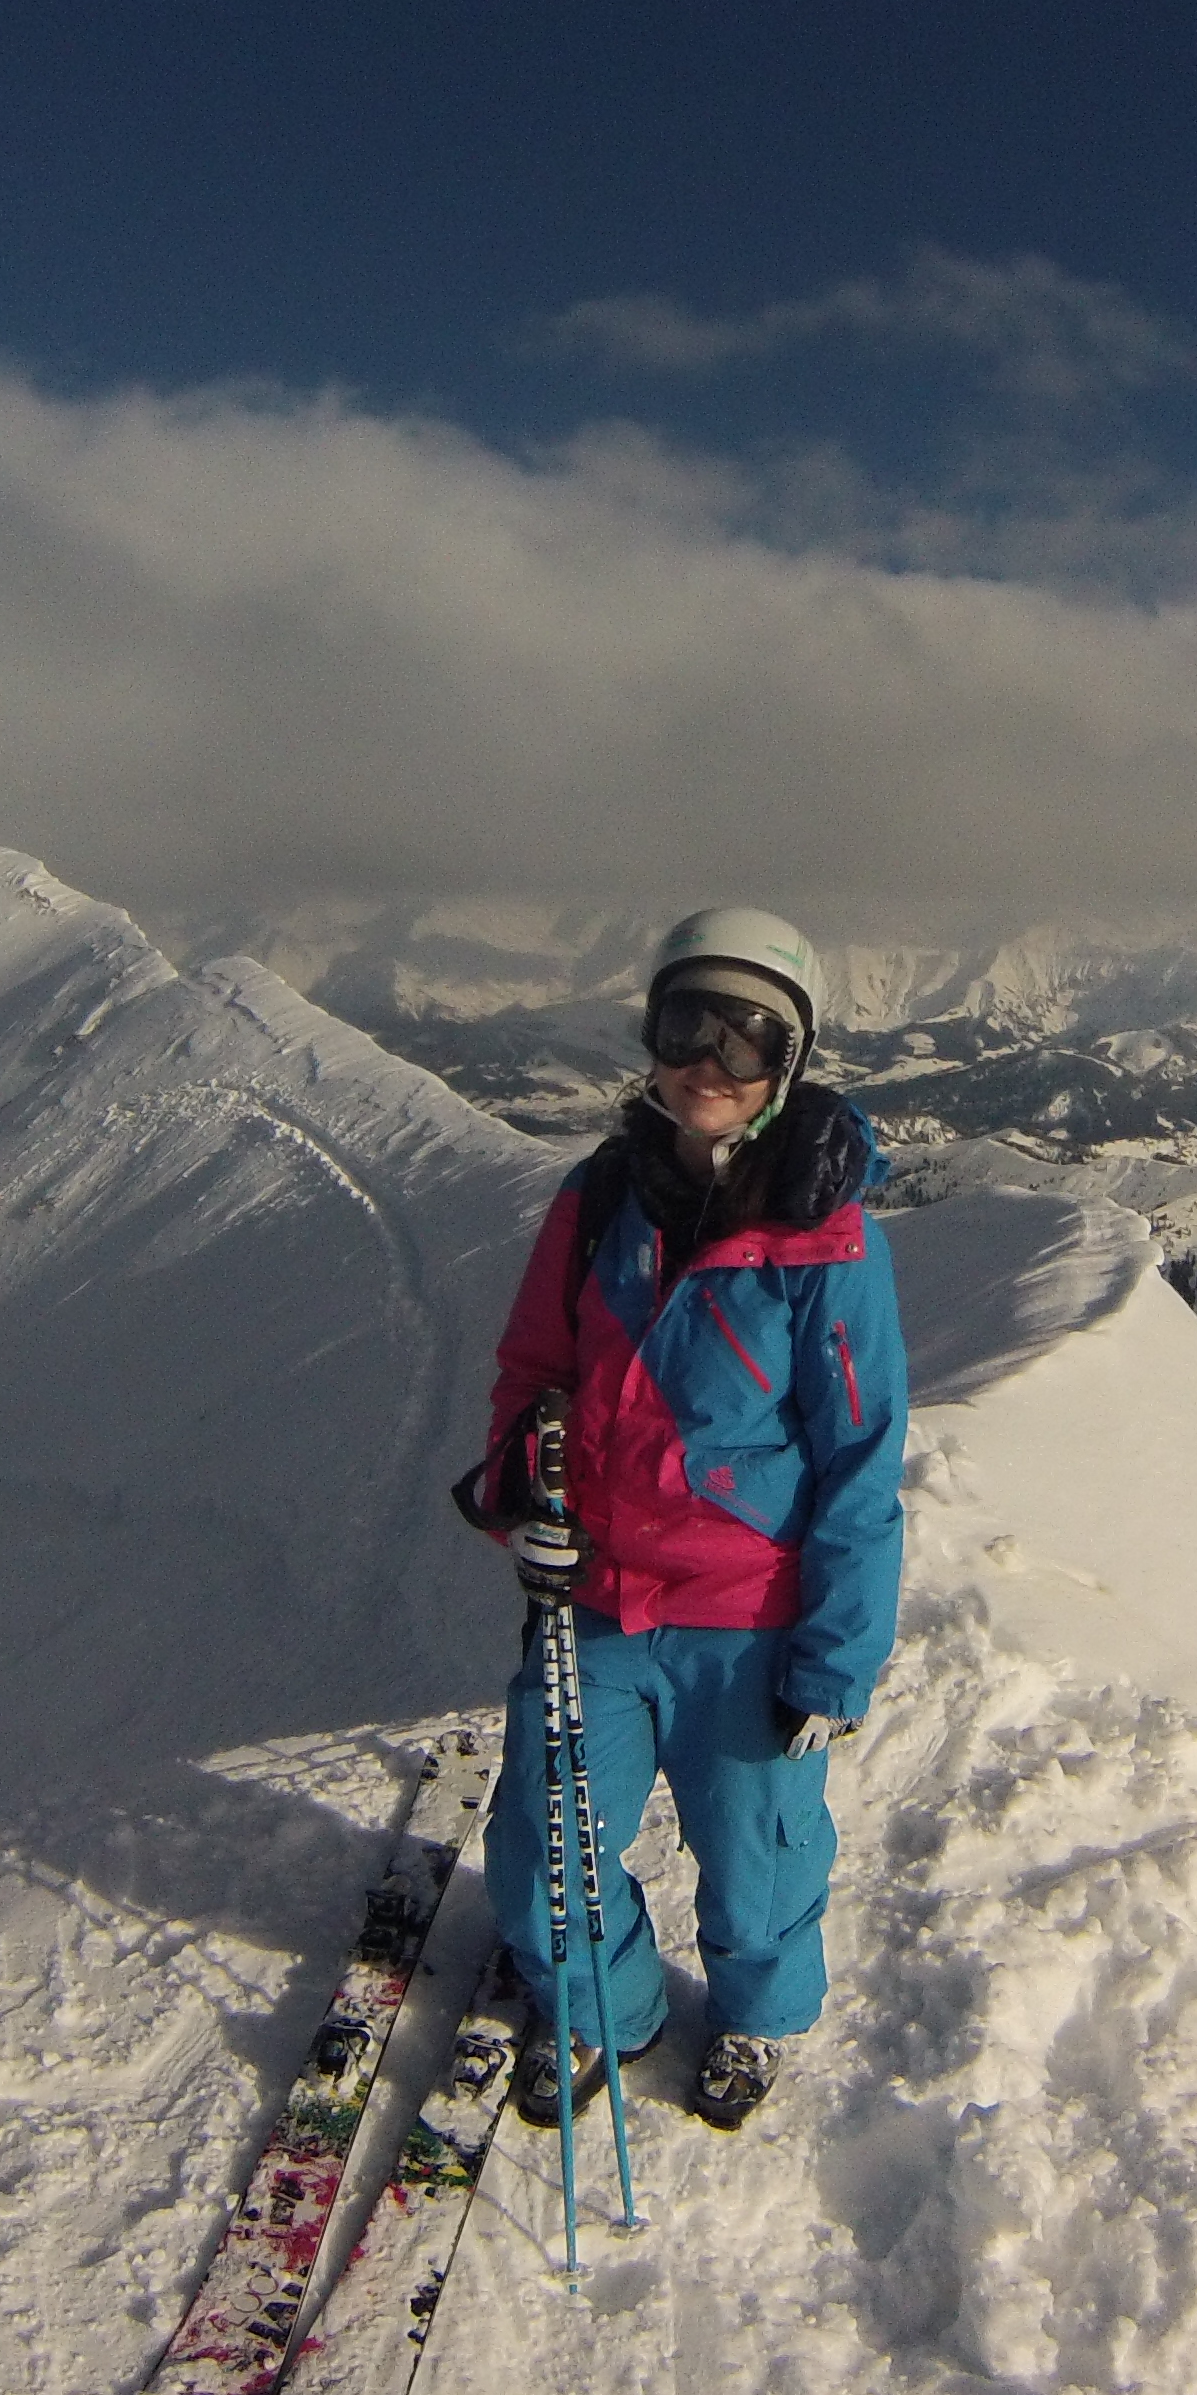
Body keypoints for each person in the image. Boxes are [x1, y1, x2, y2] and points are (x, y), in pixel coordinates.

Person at [451, 905, 909, 2132]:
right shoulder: (598, 1204)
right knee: (546, 1855)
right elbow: (530, 1371)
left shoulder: (826, 1242)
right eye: (681, 1026)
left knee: (759, 1858)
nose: (705, 1063)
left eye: (743, 1039)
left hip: (745, 1620)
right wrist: (518, 1496)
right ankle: (610, 2006)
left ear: (787, 1063)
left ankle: (756, 2015)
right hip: (596, 1600)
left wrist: (835, 1660)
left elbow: (863, 1462)